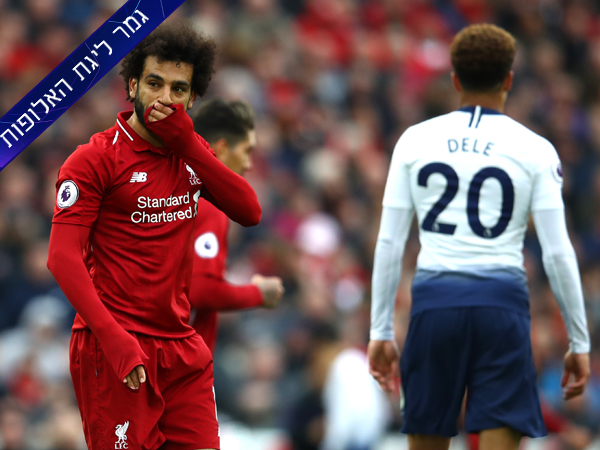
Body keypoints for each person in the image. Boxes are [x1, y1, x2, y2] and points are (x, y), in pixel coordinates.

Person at [368, 24, 591, 450]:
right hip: (501, 309)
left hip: (434, 307)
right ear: (509, 79)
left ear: (455, 80)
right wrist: (579, 341)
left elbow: (389, 243)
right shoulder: (535, 149)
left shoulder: (414, 141)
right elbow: (557, 252)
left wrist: (380, 331)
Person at [47, 22, 261, 450]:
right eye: (154, 83)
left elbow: (249, 211)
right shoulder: (94, 159)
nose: (165, 98)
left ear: (192, 97)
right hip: (117, 343)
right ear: (132, 86)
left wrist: (190, 145)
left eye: (179, 89)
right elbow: (62, 258)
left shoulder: (192, 154)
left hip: (180, 348)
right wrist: (113, 339)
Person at [189, 98, 284, 353]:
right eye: (246, 151)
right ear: (221, 148)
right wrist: (258, 294)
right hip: (170, 362)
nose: (249, 164)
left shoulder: (166, 190)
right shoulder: (207, 204)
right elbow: (200, 290)